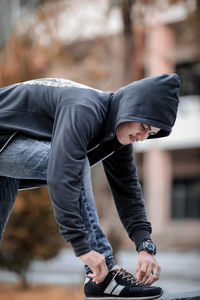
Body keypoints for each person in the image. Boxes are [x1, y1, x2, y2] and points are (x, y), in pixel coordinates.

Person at [0, 74, 180, 299]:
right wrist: (82, 246)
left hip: (10, 143)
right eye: (143, 126)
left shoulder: (119, 136)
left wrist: (145, 245)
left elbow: (128, 191)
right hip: (5, 136)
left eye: (150, 133)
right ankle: (102, 279)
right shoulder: (85, 108)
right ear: (130, 107)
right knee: (72, 163)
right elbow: (63, 173)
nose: (142, 137)